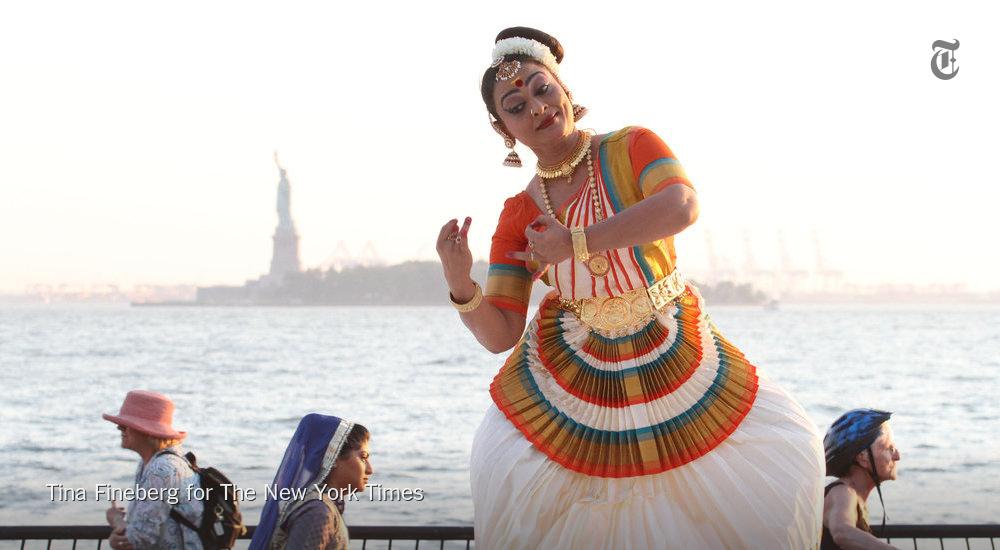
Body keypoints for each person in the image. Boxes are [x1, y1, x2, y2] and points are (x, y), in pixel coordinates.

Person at [436, 27, 826, 549]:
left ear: (563, 89)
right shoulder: (519, 215)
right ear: (503, 128)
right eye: (515, 104)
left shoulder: (630, 147)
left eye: (541, 88)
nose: (536, 106)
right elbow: (502, 332)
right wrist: (461, 285)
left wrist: (576, 242)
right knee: (508, 467)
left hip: (671, 343)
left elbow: (681, 206)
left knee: (784, 446)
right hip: (574, 365)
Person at [249, 413, 372, 550]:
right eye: (363, 457)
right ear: (334, 457)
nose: (370, 469)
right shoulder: (318, 512)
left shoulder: (320, 504)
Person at [102, 390, 204, 550]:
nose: (118, 428)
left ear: (147, 431)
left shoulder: (161, 469)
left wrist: (117, 521)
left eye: (125, 425)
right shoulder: (152, 463)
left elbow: (139, 540)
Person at [822, 409, 902, 549]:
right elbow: (842, 532)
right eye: (889, 448)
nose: (897, 456)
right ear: (863, 457)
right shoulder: (843, 493)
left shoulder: (853, 495)